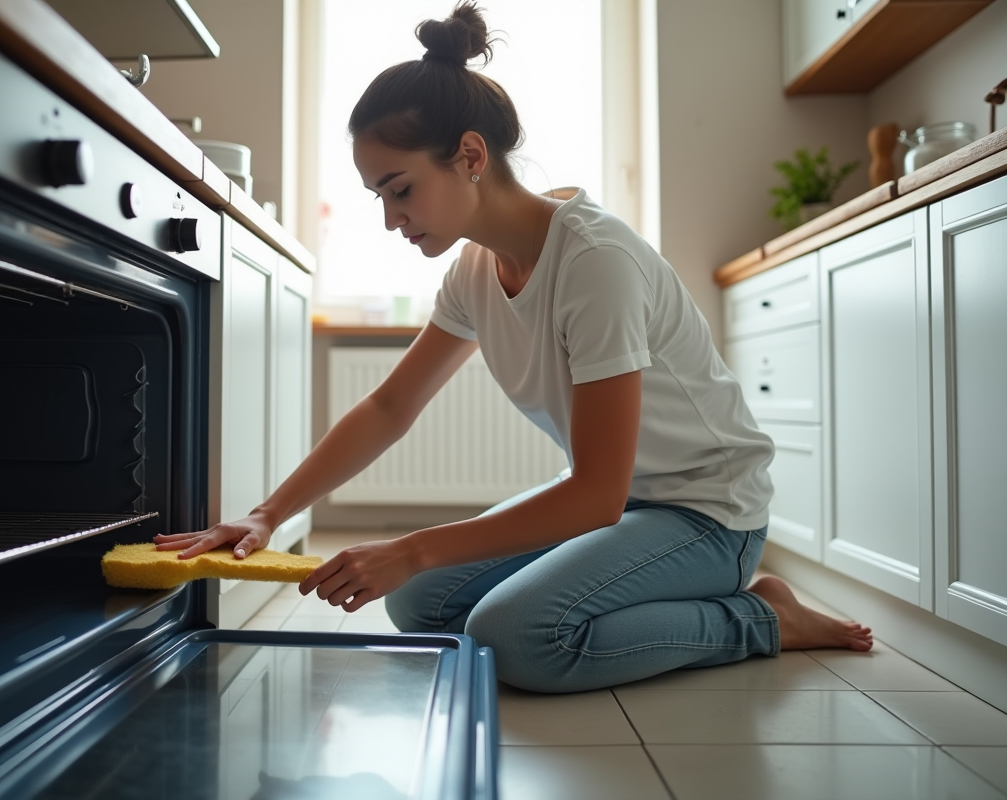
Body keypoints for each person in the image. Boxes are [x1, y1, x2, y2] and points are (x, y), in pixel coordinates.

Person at [154, 1, 872, 693]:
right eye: (378, 194)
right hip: (630, 509)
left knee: (518, 634)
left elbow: (595, 493)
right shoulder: (474, 268)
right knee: (418, 603)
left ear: (470, 155)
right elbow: (390, 403)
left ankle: (762, 616)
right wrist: (269, 513)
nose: (389, 218)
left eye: (399, 189)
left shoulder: (595, 262)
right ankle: (646, 595)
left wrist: (410, 547)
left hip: (711, 517)